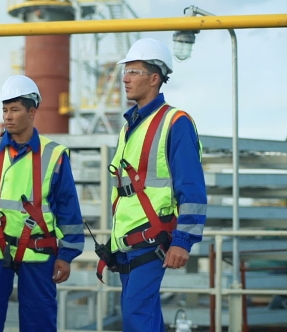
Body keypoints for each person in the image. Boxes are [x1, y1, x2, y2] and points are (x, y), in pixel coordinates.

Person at [0, 75, 85, 332]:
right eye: (4, 110)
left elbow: (68, 208)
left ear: (32, 112)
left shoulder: (54, 155)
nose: (8, 116)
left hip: (38, 251)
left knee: (39, 322)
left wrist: (67, 255)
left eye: (14, 110)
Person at [102, 38, 207, 331]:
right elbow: (125, 192)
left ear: (155, 78)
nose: (125, 78)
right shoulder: (128, 128)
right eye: (126, 71)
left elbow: (192, 187)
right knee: (143, 315)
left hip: (154, 238)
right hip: (128, 241)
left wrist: (183, 241)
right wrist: (114, 243)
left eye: (134, 71)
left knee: (138, 316)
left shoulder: (176, 122)